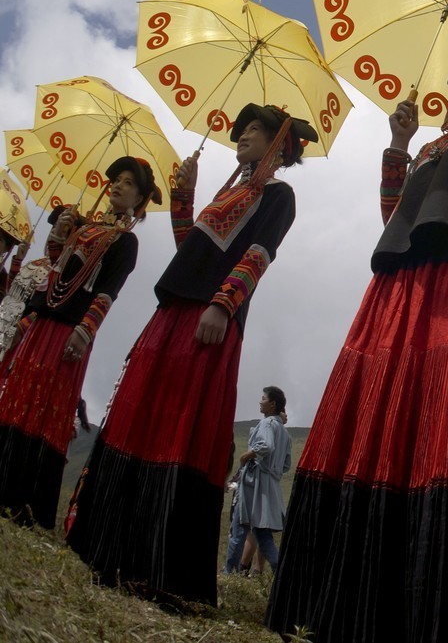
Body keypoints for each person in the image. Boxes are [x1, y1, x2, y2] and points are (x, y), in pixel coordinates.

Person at [267, 44, 448, 643]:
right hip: (397, 284)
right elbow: (397, 215)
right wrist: (399, 145)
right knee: (373, 400)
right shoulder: (431, 147)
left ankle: (431, 607)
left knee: (440, 406)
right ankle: (341, 594)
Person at [66, 104, 315, 605]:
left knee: (178, 424)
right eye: (242, 129)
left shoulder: (278, 195)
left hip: (210, 317)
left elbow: (258, 254)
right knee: (141, 411)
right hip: (175, 308)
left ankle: (159, 563)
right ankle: (107, 544)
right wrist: (184, 197)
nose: (242, 134)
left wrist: (223, 304)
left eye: (255, 130)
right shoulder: (229, 192)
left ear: (279, 145)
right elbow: (191, 249)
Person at [0, 158, 157, 528]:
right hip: (44, 323)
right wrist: (61, 236)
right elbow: (57, 273)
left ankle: (28, 502)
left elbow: (107, 290)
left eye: (128, 183)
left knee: (48, 406)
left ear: (140, 199)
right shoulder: (83, 228)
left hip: (69, 331)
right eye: (115, 179)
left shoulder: (125, 242)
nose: (117, 186)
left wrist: (85, 330)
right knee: (19, 396)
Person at [224, 386, 291, 574]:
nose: (260, 402)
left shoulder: (268, 424)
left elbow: (266, 446)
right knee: (262, 533)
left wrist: (247, 455)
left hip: (254, 483)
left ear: (272, 404)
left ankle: (229, 572)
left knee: (239, 526)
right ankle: (280, 571)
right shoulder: (284, 433)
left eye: (263, 398)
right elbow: (286, 464)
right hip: (270, 485)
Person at [0, 206, 74, 362]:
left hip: (23, 335)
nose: (55, 233)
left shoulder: (60, 270)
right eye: (54, 228)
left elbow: (41, 304)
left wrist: (21, 327)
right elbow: (13, 294)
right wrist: (18, 262)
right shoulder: (35, 263)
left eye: (63, 231)